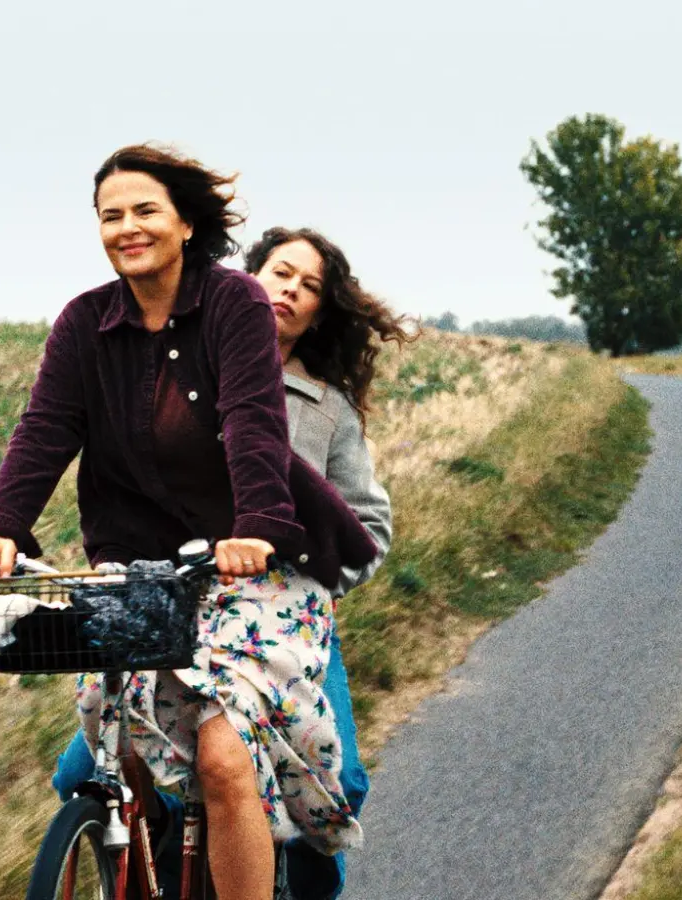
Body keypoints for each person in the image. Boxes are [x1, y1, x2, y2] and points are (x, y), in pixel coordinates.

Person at [0, 144, 375, 900]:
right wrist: (3, 526)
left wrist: (258, 528)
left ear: (185, 222)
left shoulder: (234, 303)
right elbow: (44, 431)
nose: (127, 227)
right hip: (140, 571)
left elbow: (253, 424)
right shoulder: (84, 323)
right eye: (110, 215)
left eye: (145, 210)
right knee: (111, 755)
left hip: (254, 568)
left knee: (222, 755)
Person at [50, 224, 411, 898]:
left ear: (319, 312)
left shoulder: (327, 411)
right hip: (174, 602)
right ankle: (150, 853)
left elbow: (369, 527)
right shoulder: (174, 369)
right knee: (82, 772)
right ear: (249, 278)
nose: (291, 291)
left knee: (342, 784)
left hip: (276, 620)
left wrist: (310, 574)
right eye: (281, 273)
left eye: (309, 287)